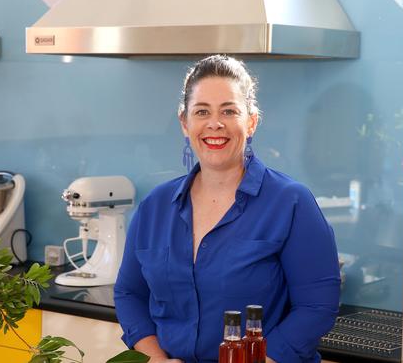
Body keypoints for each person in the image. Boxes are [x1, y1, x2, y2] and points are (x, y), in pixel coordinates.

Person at [114, 55, 340, 363]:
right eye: (202, 111)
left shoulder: (291, 202)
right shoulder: (154, 207)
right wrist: (156, 358)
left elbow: (317, 307)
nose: (214, 124)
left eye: (229, 111)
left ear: (251, 121)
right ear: (185, 122)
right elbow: (130, 294)